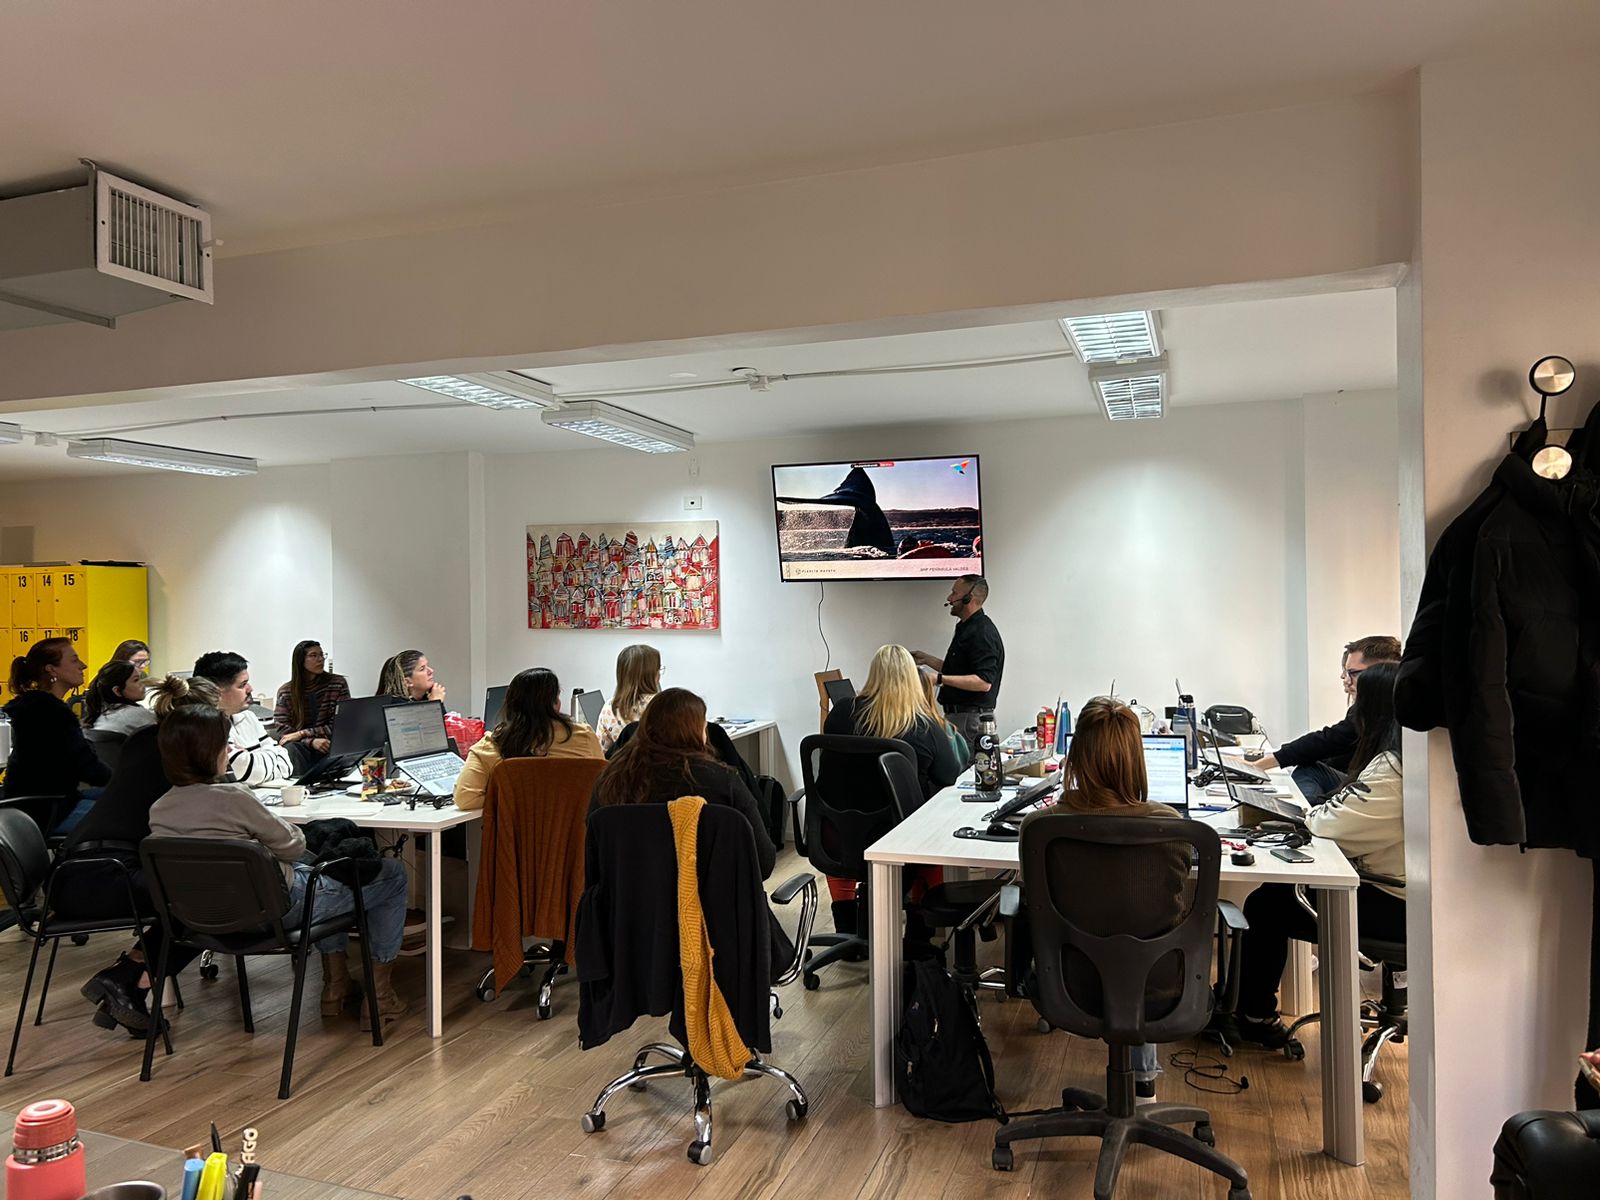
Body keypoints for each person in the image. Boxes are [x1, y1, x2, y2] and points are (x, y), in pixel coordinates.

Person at [147, 704, 411, 1028]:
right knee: (390, 875)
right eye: (226, 744)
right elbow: (294, 845)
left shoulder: (159, 810)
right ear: (211, 751)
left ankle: (336, 985)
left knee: (330, 870)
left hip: (204, 919)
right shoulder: (235, 798)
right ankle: (379, 996)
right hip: (278, 912)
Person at [1228, 661, 1406, 1049]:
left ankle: (1252, 1016)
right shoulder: (1402, 759)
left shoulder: (1392, 769)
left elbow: (1330, 826)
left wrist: (1313, 813)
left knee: (1267, 904)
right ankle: (1247, 1009)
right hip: (1401, 891)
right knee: (1276, 894)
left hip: (1395, 903)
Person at [1022, 695, 1191, 1101]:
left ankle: (1139, 1079)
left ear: (1074, 756)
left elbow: (1031, 898)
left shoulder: (1041, 828)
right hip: (1160, 990)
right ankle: (1143, 1082)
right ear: (1138, 759)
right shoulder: (1171, 826)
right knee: (1139, 929)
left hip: (1068, 986)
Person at [62, 674, 221, 1033]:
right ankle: (129, 979)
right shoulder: (179, 754)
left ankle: (127, 981)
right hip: (104, 876)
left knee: (196, 892)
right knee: (213, 897)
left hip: (74, 871)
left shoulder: (145, 738)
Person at [821, 644, 962, 937]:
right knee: (932, 836)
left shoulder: (841, 712)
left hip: (837, 835)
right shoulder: (923, 724)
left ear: (873, 674)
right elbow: (949, 776)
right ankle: (919, 936)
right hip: (900, 838)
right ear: (912, 678)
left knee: (846, 841)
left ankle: (846, 928)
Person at [590, 687, 774, 879]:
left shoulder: (610, 781)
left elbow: (593, 860)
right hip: (712, 896)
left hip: (627, 895)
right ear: (696, 732)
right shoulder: (722, 781)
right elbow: (763, 862)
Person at [1252, 635, 1401, 798]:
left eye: (1353, 673)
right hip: (1362, 785)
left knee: (1309, 772)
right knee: (1309, 767)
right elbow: (1327, 742)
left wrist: (1260, 764)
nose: (1346, 680)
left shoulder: (1391, 712)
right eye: (1345, 673)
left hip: (1375, 791)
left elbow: (1328, 740)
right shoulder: (1367, 709)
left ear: (1381, 670)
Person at [454, 667, 603, 812]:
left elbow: (465, 798)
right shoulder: (583, 736)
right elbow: (602, 787)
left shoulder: (491, 745)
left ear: (510, 705)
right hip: (573, 829)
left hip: (514, 830)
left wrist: (513, 798)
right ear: (555, 703)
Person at [3, 638, 109, 835]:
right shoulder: (52, 713)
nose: (83, 665)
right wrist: (122, 781)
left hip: (33, 804)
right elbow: (88, 767)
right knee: (129, 813)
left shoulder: (34, 707)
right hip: (48, 811)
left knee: (122, 798)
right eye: (74, 660)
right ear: (52, 670)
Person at [912, 574, 1005, 748]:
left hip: (969, 721)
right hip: (962, 718)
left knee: (967, 765)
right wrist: (926, 659)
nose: (949, 598)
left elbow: (983, 682)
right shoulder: (967, 627)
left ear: (968, 598)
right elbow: (959, 671)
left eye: (954, 593)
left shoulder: (981, 632)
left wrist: (938, 679)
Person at [192, 650, 294, 786]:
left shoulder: (248, 716)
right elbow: (244, 771)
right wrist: (268, 756)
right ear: (216, 691)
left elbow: (286, 762)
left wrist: (252, 760)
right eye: (242, 685)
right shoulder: (205, 725)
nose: (250, 689)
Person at [272, 640, 351, 771]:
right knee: (291, 748)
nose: (320, 659)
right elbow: (284, 732)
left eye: (321, 655)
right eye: (313, 655)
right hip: (301, 748)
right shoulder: (286, 691)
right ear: (301, 661)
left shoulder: (337, 683)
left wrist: (302, 733)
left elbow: (341, 724)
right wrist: (311, 741)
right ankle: (299, 783)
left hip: (331, 743)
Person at [594, 643, 661, 754]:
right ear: (654, 675)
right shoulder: (665, 705)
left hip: (623, 764)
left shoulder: (610, 708)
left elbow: (601, 753)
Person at [80, 660, 157, 735]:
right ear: (117, 691)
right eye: (136, 680)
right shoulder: (138, 714)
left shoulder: (99, 715)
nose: (142, 684)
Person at [375, 649, 446, 703]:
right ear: (407, 682)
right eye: (422, 669)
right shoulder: (396, 706)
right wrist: (435, 704)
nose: (431, 671)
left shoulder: (428, 697)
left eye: (427, 666)